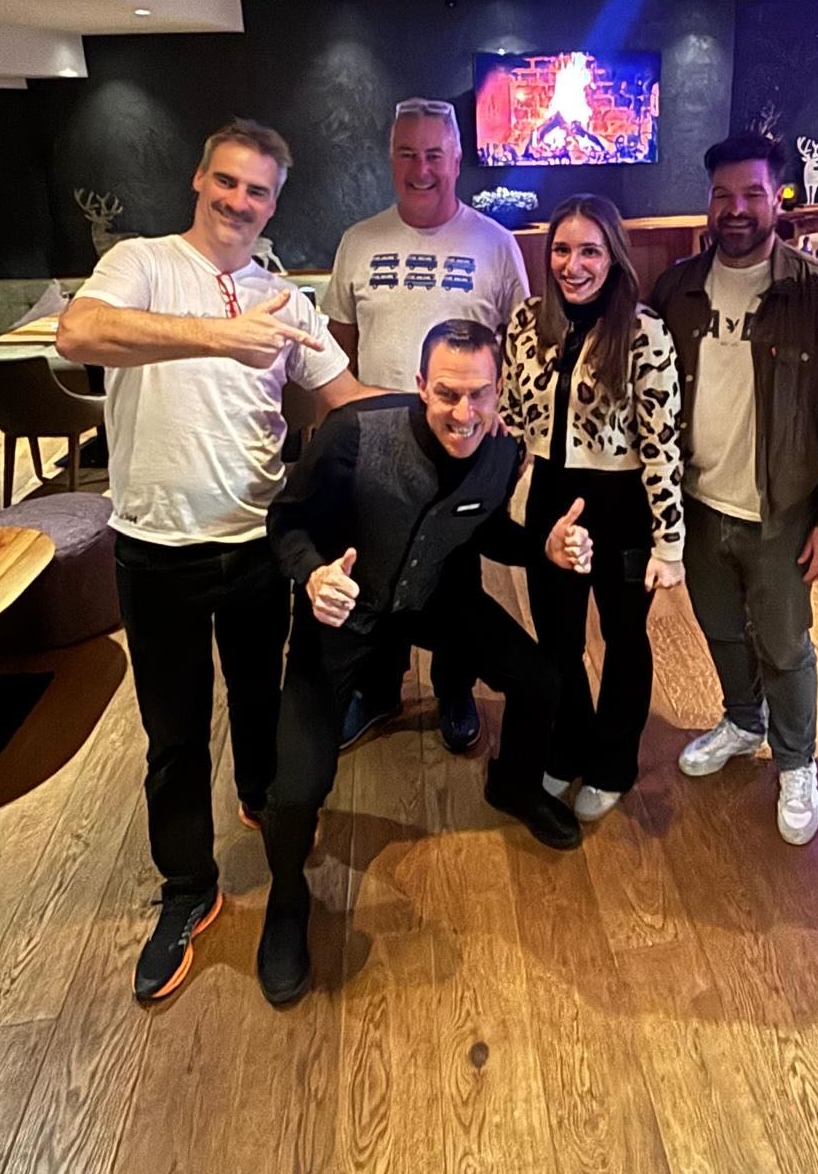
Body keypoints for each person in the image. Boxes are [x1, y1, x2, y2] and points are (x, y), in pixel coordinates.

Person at [56, 119, 379, 1002]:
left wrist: (451, 409)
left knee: (259, 698)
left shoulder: (287, 301)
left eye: (258, 191)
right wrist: (218, 335)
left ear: (275, 204)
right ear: (199, 180)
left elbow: (345, 398)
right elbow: (78, 334)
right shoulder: (141, 263)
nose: (240, 201)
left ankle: (261, 798)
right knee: (173, 735)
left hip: (256, 542)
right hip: (155, 547)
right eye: (227, 182)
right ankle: (189, 889)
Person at [257, 319, 594, 1005]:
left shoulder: (502, 451)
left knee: (540, 681)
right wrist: (314, 576)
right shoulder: (353, 434)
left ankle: (514, 786)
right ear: (419, 386)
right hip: (346, 608)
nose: (464, 413)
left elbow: (484, 526)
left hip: (433, 599)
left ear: (498, 390)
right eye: (447, 394)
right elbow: (285, 523)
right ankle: (287, 902)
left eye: (479, 395)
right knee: (294, 788)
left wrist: (543, 549)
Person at [650, 132, 818, 845]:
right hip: (697, 505)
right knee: (719, 627)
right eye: (722, 195)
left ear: (779, 198)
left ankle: (797, 761)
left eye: (752, 194)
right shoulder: (675, 290)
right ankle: (744, 722)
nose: (736, 209)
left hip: (783, 512)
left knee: (783, 642)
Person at [323, 97, 529, 754]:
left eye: (434, 154)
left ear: (457, 160)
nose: (421, 168)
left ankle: (454, 688)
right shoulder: (358, 242)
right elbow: (336, 349)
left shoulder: (495, 244)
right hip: (376, 448)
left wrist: (507, 429)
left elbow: (521, 347)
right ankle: (378, 689)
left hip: (461, 444)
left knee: (455, 575)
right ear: (390, 159)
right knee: (374, 573)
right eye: (407, 153)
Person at [500, 195, 685, 821]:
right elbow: (511, 416)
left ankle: (614, 761)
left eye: (589, 251)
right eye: (561, 249)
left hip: (622, 503)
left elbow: (662, 443)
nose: (572, 265)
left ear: (614, 258)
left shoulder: (644, 331)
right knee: (556, 636)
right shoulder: (527, 321)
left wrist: (669, 542)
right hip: (550, 496)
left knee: (624, 636)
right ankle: (570, 739)